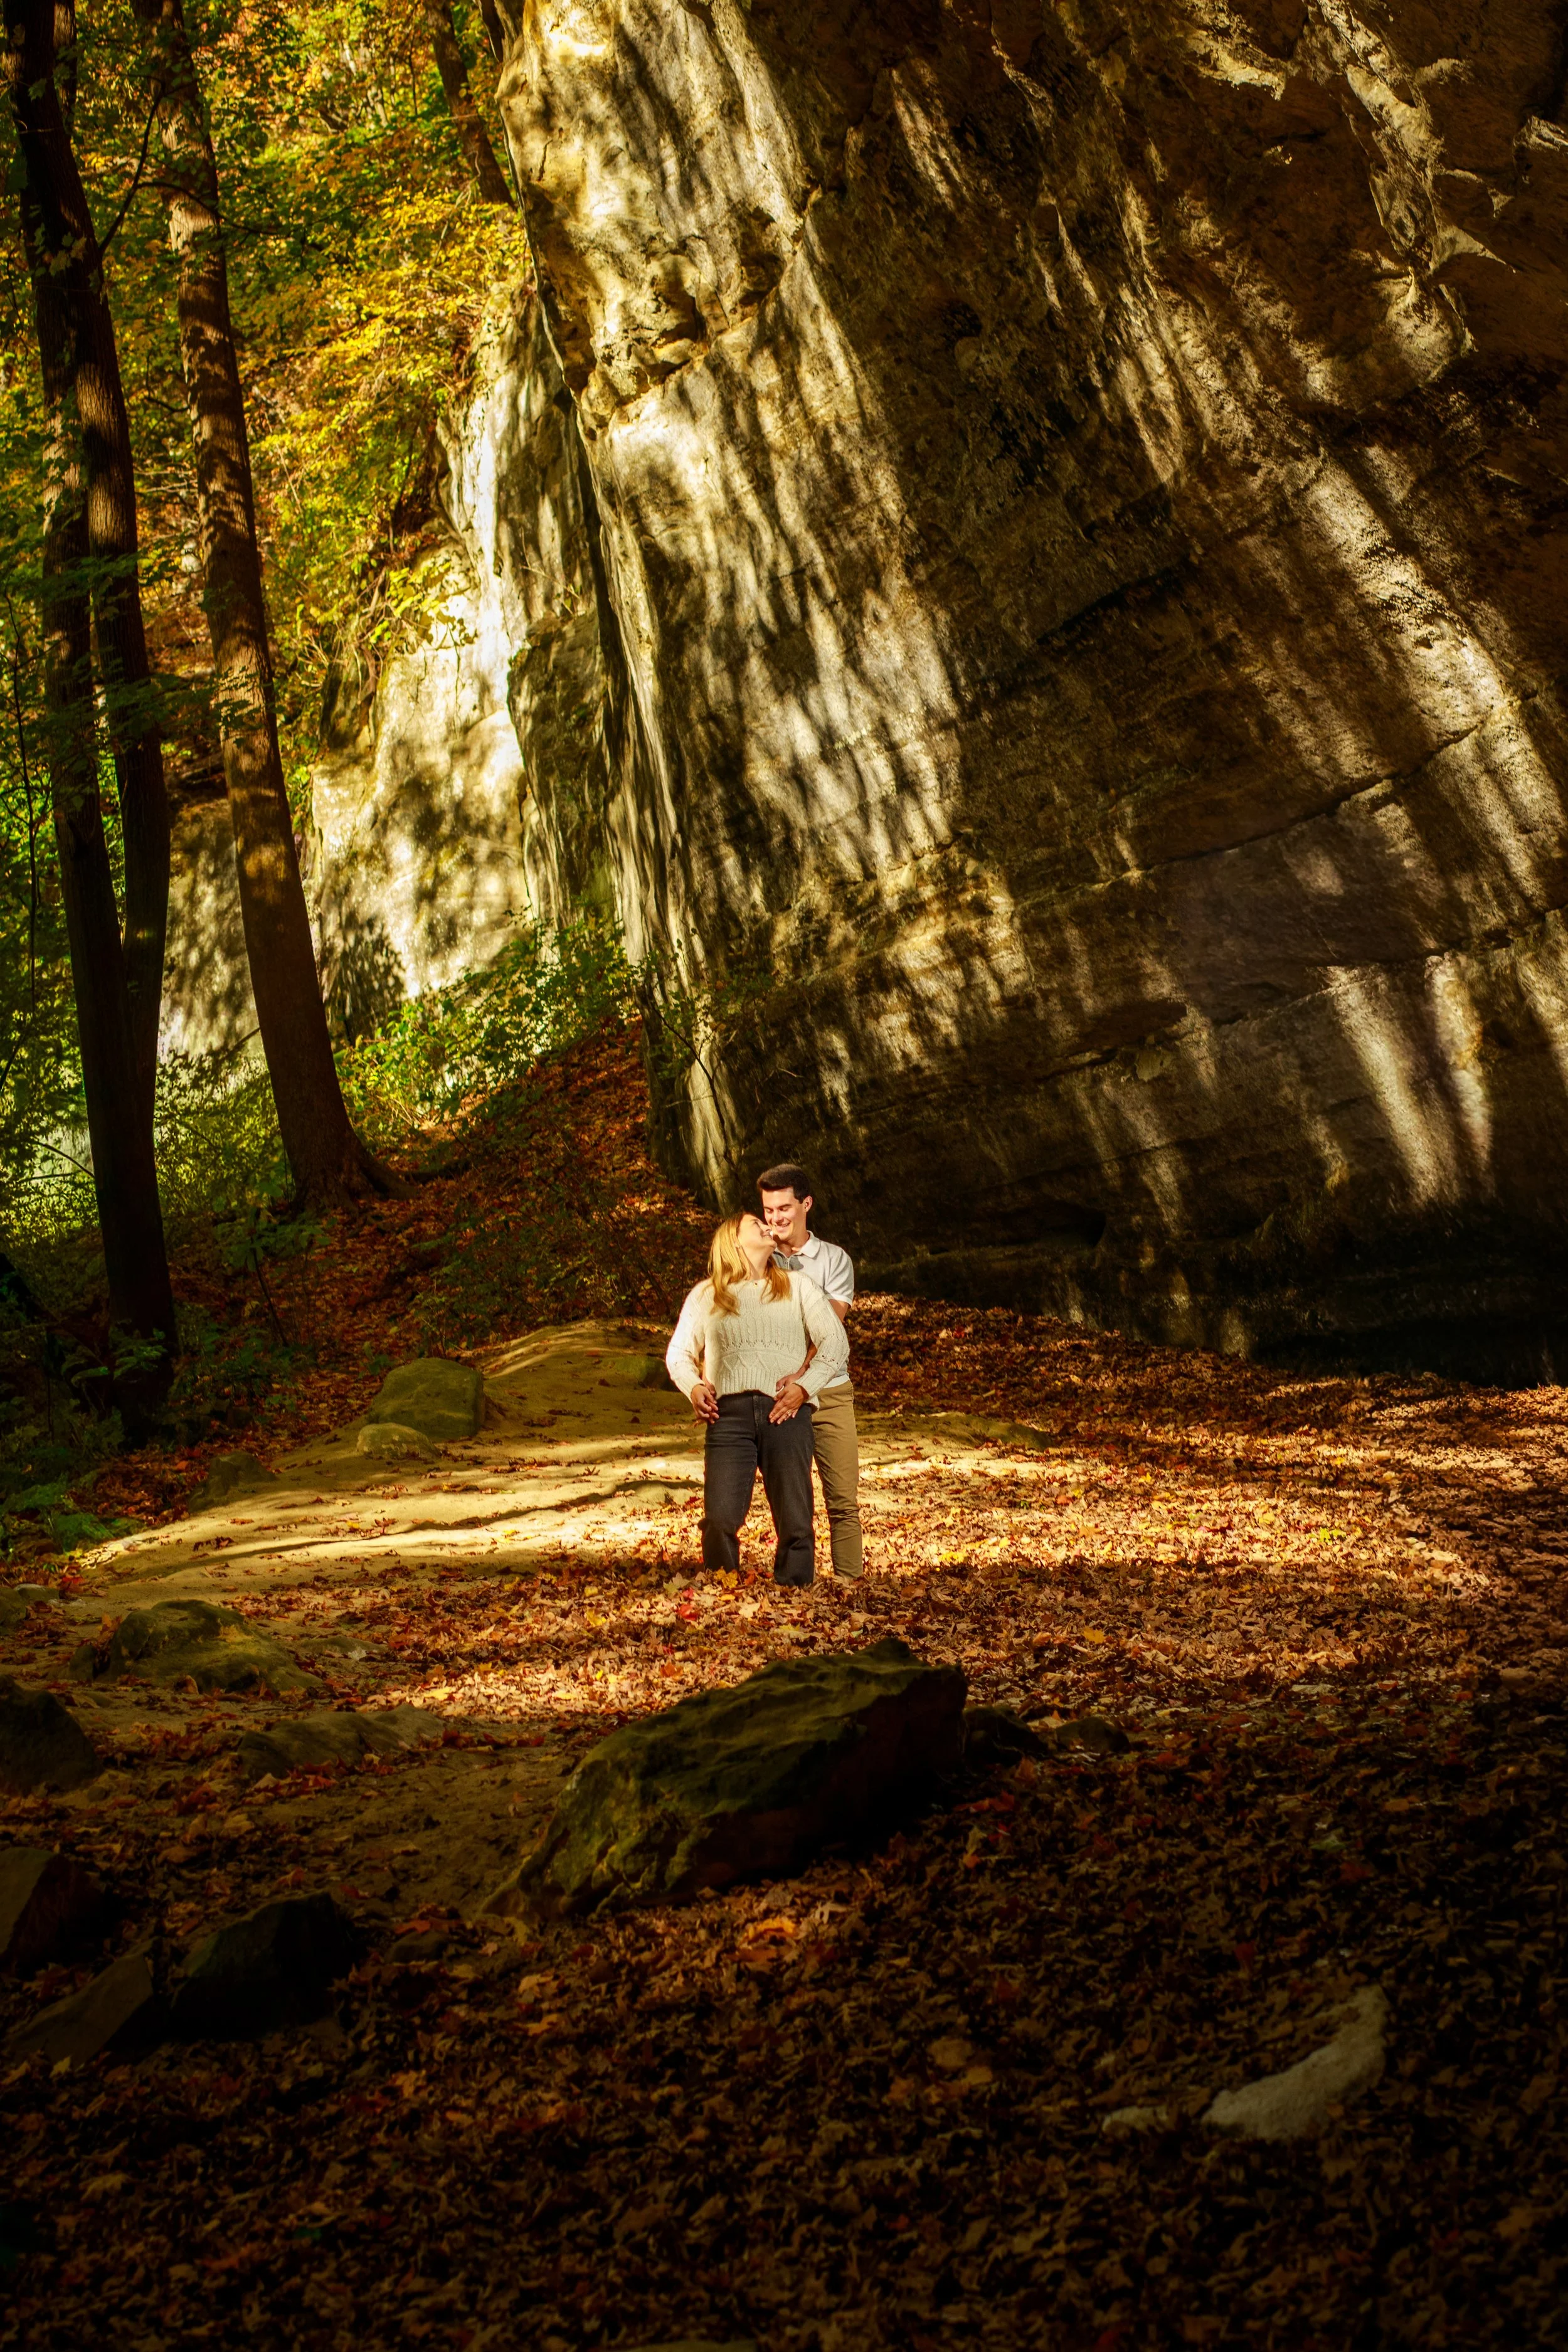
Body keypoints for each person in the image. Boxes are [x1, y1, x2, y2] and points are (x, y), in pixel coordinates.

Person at [665, 1210, 849, 1587]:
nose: (768, 1227)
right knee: (719, 1516)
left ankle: (795, 1590)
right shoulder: (706, 1294)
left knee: (795, 1515)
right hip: (727, 1416)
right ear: (734, 1241)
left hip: (785, 1411)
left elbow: (835, 1342)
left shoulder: (798, 1286)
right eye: (756, 1224)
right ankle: (721, 1586)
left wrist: (804, 1387)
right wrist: (695, 1388)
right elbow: (678, 1355)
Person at [756, 1162, 862, 1581]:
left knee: (842, 1498)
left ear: (806, 1205)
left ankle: (850, 1584)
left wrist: (803, 1376)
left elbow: (830, 1328)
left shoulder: (834, 1260)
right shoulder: (756, 1258)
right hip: (777, 1397)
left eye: (784, 1208)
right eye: (769, 1210)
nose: (776, 1218)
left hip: (830, 1391)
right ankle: (797, 1585)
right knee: (790, 1501)